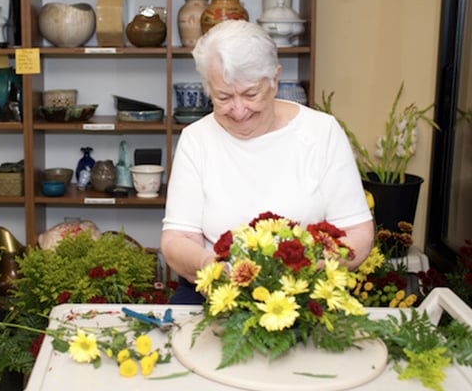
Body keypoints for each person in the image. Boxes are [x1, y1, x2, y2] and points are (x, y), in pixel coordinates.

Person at [160, 20, 375, 304]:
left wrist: (309, 273)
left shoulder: (321, 132)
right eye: (223, 97)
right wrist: (215, 269)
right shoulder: (195, 139)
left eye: (250, 94)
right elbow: (178, 240)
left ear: (274, 80)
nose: (238, 110)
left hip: (307, 294)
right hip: (215, 294)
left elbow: (357, 232)